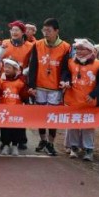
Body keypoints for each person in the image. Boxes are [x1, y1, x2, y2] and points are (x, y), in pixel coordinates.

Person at [27, 18, 71, 156]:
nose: (46, 33)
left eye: (49, 31)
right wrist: (31, 85)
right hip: (40, 86)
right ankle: (43, 140)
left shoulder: (65, 47)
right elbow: (33, 65)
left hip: (55, 87)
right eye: (44, 30)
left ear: (56, 31)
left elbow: (66, 68)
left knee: (53, 116)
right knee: (41, 115)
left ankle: (51, 143)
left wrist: (63, 81)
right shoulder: (38, 44)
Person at [62, 39, 99, 162]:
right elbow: (66, 74)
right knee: (73, 125)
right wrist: (66, 82)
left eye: (82, 49)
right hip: (73, 100)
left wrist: (93, 94)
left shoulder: (98, 64)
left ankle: (88, 149)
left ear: (90, 50)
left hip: (89, 102)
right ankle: (73, 147)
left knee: (88, 126)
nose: (79, 51)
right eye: (77, 49)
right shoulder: (70, 62)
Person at [0, 58, 30, 156]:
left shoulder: (21, 81)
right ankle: (5, 145)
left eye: (9, 67)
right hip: (4, 109)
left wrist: (28, 93)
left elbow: (24, 95)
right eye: (5, 67)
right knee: (5, 128)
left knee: (16, 128)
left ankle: (14, 146)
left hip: (17, 110)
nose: (6, 69)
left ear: (15, 69)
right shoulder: (1, 80)